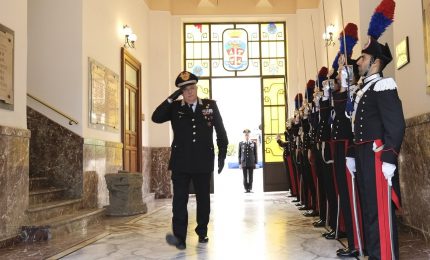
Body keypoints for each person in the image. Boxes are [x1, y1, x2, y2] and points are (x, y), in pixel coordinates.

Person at [152, 71, 228, 250]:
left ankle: (202, 231)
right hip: (181, 163)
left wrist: (222, 154)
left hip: (203, 161)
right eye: (185, 90)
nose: (189, 92)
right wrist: (171, 98)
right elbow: (156, 118)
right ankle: (179, 238)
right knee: (179, 201)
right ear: (181, 92)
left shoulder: (210, 106)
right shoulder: (175, 107)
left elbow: (221, 131)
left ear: (196, 88)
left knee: (203, 200)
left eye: (192, 88)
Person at [353, 0, 405, 259]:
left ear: (374, 62)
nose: (358, 62)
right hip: (364, 155)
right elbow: (358, 125)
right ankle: (374, 253)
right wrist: (353, 153)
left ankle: (384, 255)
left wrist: (389, 157)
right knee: (369, 208)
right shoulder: (364, 89)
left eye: (362, 57)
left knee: (380, 211)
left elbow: (395, 124)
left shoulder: (383, 86)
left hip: (377, 156)